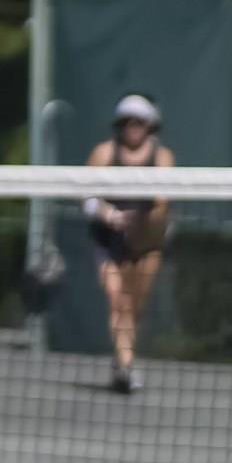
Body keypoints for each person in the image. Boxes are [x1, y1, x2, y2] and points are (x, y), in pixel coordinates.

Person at [81, 93, 175, 393]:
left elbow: (162, 203)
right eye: (126, 122)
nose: (132, 127)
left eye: (139, 122)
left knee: (134, 307)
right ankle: (126, 366)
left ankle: (122, 357)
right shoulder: (103, 153)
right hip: (107, 242)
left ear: (150, 126)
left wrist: (141, 225)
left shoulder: (162, 158)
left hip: (147, 244)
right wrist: (111, 215)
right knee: (117, 301)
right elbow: (86, 196)